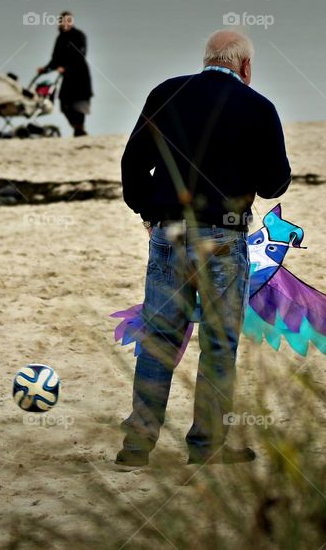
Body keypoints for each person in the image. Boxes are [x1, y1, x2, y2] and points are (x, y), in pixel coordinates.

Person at [117, 30, 291, 467]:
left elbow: (133, 161)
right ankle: (206, 446)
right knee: (218, 342)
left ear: (208, 58)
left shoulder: (166, 93)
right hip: (223, 237)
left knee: (158, 339)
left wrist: (146, 208)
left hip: (169, 233)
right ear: (245, 67)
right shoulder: (258, 107)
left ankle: (136, 445)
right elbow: (274, 184)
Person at [38, 11, 92, 137]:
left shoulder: (79, 35)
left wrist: (65, 67)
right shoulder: (60, 38)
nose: (66, 23)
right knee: (64, 104)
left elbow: (80, 55)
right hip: (67, 78)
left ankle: (79, 129)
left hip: (80, 75)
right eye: (64, 21)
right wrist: (45, 69)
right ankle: (77, 128)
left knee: (79, 104)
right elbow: (55, 59)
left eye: (69, 20)